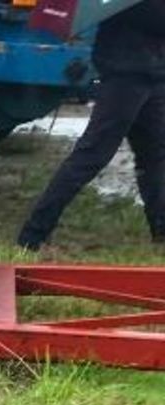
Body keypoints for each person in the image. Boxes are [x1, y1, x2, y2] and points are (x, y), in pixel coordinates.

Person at [17, 0, 165, 250]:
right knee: (92, 155)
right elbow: (153, 18)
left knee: (155, 156)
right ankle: (33, 234)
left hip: (153, 72)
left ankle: (161, 230)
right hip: (126, 74)